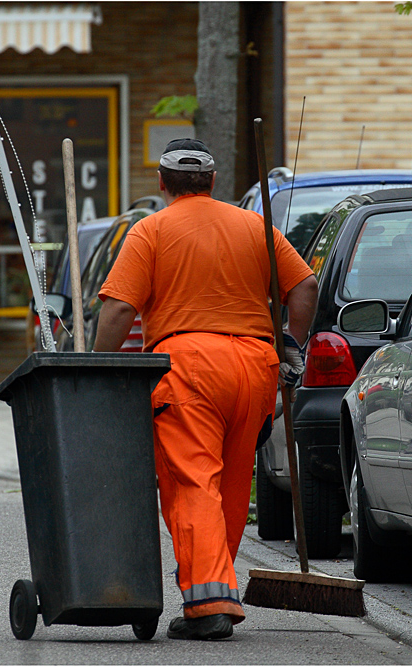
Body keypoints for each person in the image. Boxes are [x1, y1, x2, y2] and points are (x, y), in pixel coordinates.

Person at [93, 138, 318, 640]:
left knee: (193, 481)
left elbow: (119, 309)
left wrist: (95, 366)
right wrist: (290, 344)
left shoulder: (150, 230)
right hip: (256, 368)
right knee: (232, 484)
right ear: (213, 181)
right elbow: (303, 287)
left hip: (188, 367)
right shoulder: (254, 227)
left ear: (162, 183)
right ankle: (214, 585)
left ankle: (210, 604)